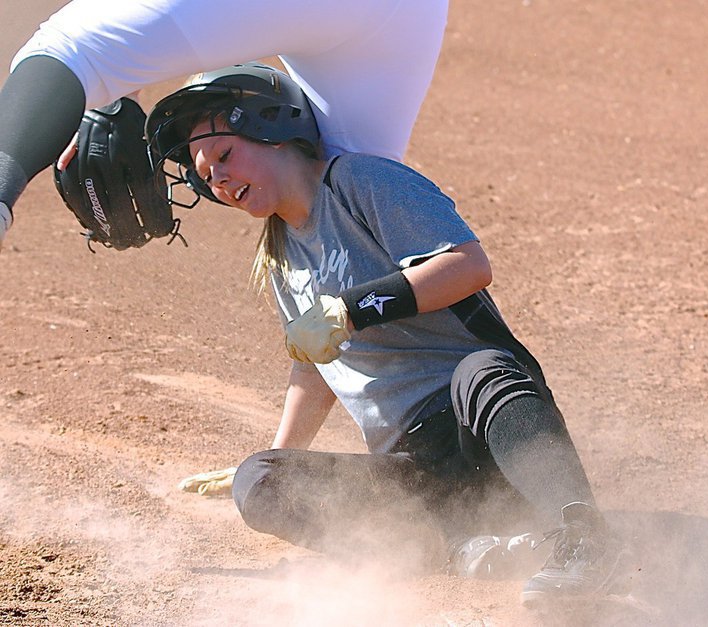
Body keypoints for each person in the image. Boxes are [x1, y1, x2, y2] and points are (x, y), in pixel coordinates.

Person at [145, 62, 630, 607]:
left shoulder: (360, 182)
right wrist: (278, 455)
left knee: (484, 368)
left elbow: (468, 265)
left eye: (226, 156)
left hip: (484, 423)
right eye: (206, 176)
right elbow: (316, 363)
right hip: (413, 471)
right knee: (260, 480)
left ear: (273, 128)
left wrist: (349, 310)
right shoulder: (279, 253)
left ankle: (583, 542)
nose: (219, 180)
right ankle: (466, 547)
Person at [0, 0, 448, 251]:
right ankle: (478, 393)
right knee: (354, 218)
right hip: (403, 14)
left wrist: (116, 93)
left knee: (72, 51)